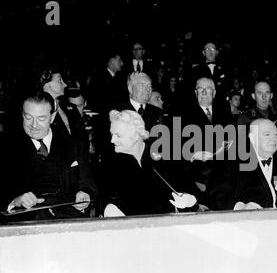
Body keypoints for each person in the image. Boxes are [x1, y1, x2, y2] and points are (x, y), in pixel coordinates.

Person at [0, 92, 98, 223]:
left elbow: (87, 181)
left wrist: (84, 193)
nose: (34, 125)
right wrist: (15, 200)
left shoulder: (74, 143)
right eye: (28, 117)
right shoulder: (5, 147)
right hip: (25, 224)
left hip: (70, 219)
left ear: (53, 117)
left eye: (41, 119)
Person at [101, 109, 198, 217]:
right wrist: (108, 207)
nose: (112, 140)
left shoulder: (164, 157)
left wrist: (190, 201)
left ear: (136, 135)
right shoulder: (111, 163)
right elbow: (103, 197)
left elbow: (192, 192)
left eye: (118, 135)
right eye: (112, 134)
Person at [205, 118, 277, 210]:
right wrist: (240, 207)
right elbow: (214, 196)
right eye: (267, 134)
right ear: (252, 138)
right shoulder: (230, 161)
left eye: (276, 134)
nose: (274, 139)